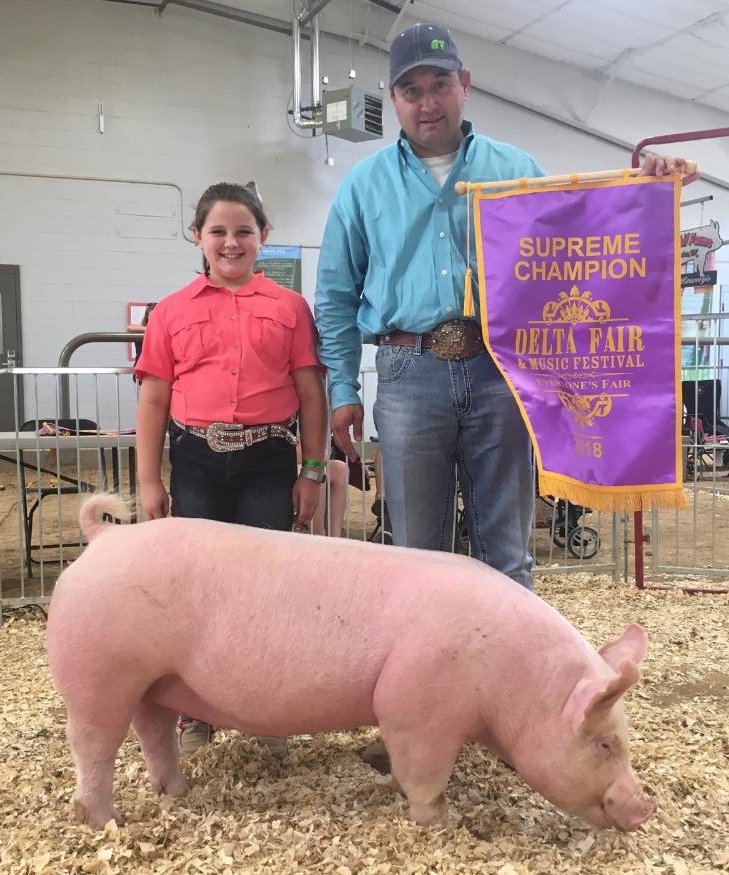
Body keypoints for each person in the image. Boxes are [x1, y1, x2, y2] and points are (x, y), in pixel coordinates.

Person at [315, 21, 698, 593]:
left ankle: (509, 681)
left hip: (502, 370)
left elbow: (578, 242)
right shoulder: (362, 187)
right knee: (417, 555)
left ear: (465, 84)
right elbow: (335, 294)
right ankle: (431, 680)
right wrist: (343, 390)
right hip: (407, 372)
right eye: (411, 90)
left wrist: (642, 191)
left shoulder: (514, 168)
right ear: (393, 98)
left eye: (439, 84)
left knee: (508, 551)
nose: (427, 103)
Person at [134, 181, 328, 755]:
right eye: (218, 231)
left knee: (268, 587)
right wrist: (150, 479)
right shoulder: (169, 313)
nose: (231, 242)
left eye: (244, 231)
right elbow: (152, 400)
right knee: (197, 588)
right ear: (197, 237)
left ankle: (268, 708)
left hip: (269, 459)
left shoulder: (290, 308)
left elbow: (311, 395)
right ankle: (196, 710)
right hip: (195, 460)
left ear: (263, 238)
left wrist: (312, 470)